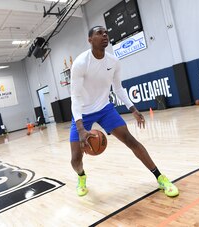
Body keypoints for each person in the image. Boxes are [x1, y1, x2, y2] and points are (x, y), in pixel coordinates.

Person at [69, 26, 179, 197]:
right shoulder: (81, 63)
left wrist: (133, 109)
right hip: (82, 112)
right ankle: (81, 177)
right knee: (75, 159)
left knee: (131, 141)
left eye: (106, 32)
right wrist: (81, 128)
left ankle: (160, 178)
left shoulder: (113, 62)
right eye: (99, 33)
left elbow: (118, 88)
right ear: (90, 40)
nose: (105, 34)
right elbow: (75, 97)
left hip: (105, 108)